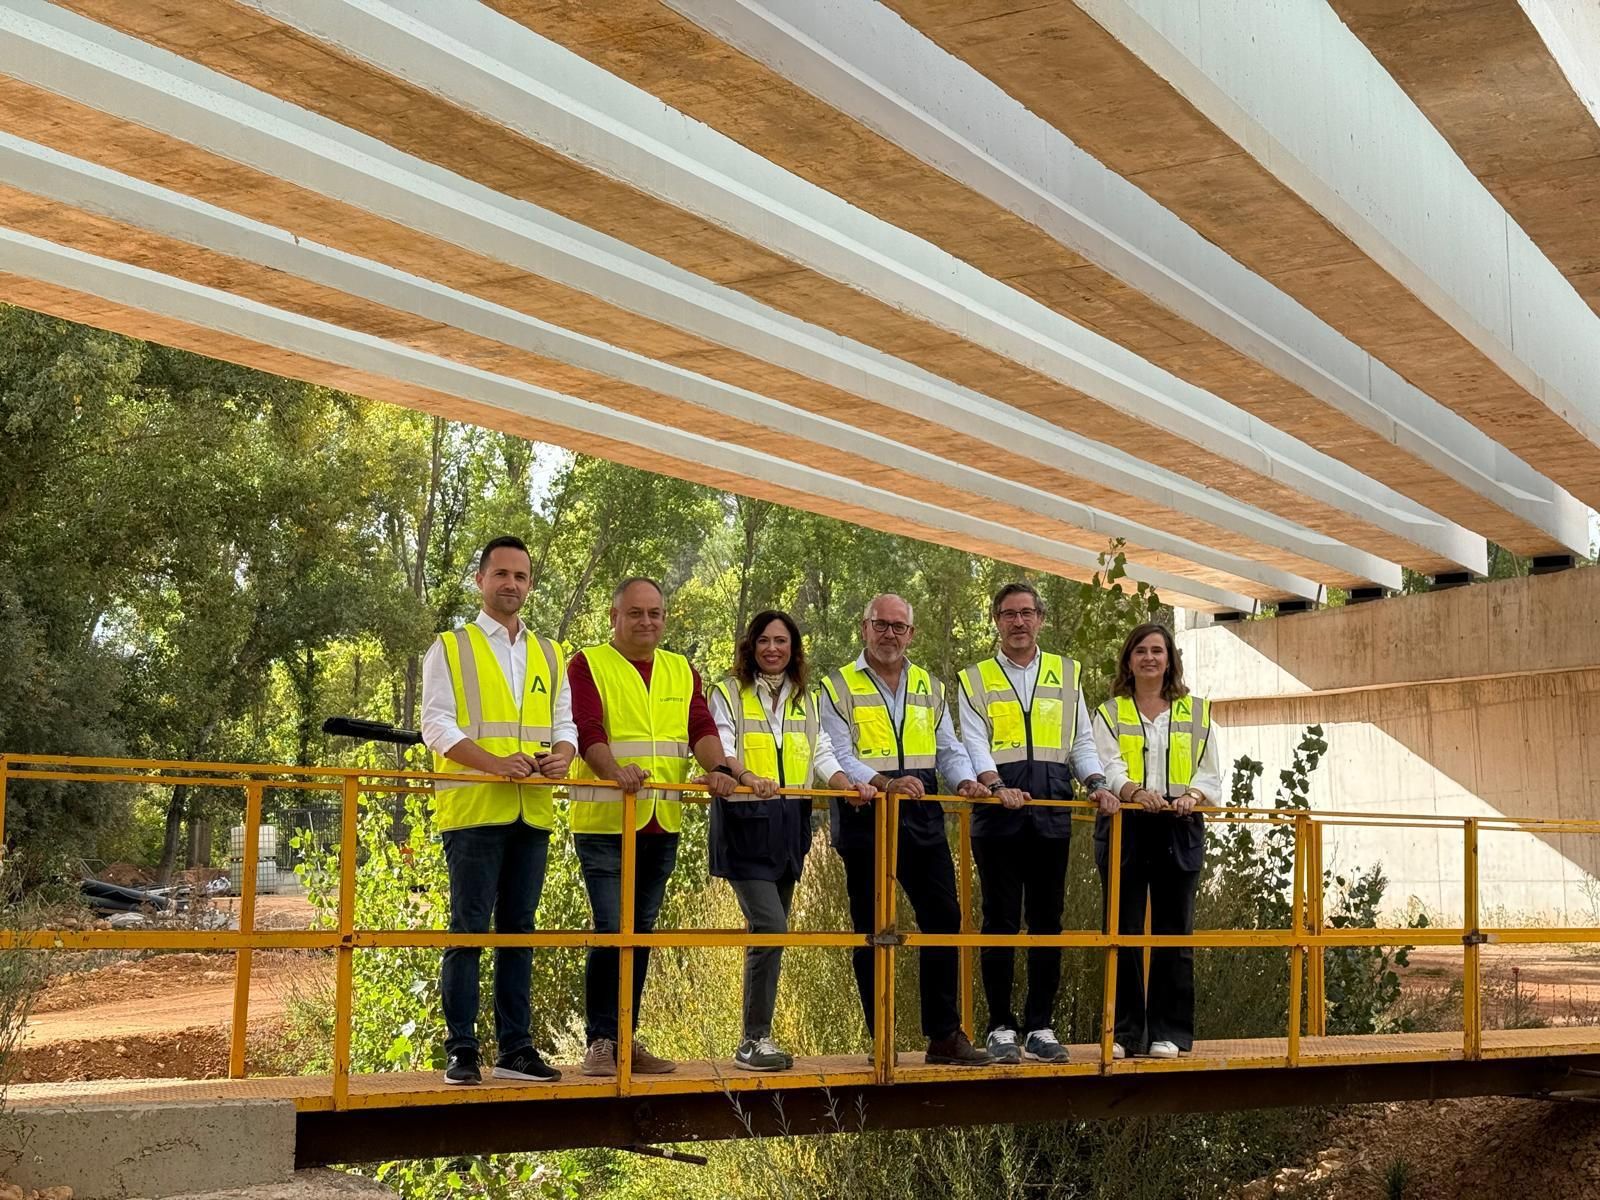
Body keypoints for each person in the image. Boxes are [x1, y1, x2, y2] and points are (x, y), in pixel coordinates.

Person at [566, 576, 738, 1076]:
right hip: (604, 819)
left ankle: (625, 1038)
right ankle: (600, 1041)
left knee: (638, 932)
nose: (646, 622)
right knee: (610, 926)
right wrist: (611, 771)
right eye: (636, 613)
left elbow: (700, 727)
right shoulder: (588, 663)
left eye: (655, 613)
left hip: (662, 819)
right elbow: (586, 728)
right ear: (614, 616)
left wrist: (719, 769)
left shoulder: (681, 669)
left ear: (665, 618)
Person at [420, 535, 575, 1086]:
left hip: (532, 813)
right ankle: (461, 1050)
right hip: (474, 811)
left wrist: (562, 756)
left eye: (522, 576)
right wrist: (492, 765)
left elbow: (565, 724)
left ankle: (516, 1050)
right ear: (480, 580)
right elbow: (436, 726)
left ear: (530, 585)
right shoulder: (451, 647)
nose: (512, 584)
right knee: (468, 930)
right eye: (502, 574)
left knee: (518, 932)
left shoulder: (550, 653)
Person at [820, 593, 995, 1066]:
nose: (890, 634)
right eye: (881, 625)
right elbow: (837, 753)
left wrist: (966, 781)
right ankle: (883, 1042)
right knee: (873, 927)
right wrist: (882, 782)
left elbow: (949, 747)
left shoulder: (928, 686)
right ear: (864, 628)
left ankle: (944, 1036)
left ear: (911, 634)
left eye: (899, 627)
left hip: (922, 813)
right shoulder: (836, 687)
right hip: (865, 811)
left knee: (943, 918)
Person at [956, 582, 1117, 1065]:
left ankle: (1040, 1027)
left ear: (1041, 619)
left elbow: (1081, 740)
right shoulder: (974, 678)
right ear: (996, 621)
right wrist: (991, 783)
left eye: (1027, 613)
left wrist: (1094, 781)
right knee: (1000, 921)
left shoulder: (1068, 674)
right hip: (997, 812)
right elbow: (973, 740)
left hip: (1052, 811)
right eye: (1009, 614)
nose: (1019, 622)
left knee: (1048, 922)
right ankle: (1001, 1027)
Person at [709, 610, 873, 1072]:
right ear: (750, 646)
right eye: (764, 640)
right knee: (771, 927)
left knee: (772, 933)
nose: (772, 649)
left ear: (793, 649)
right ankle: (752, 1040)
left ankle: (757, 1037)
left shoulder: (806, 698)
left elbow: (820, 750)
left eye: (781, 641)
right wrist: (744, 775)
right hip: (744, 823)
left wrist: (845, 785)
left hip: (789, 826)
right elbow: (719, 744)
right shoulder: (728, 693)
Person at [1091, 622, 1222, 1059]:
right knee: (1123, 931)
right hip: (1127, 821)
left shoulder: (1197, 712)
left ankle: (1170, 1032)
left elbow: (1210, 771)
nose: (1149, 658)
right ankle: (1126, 1034)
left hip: (1178, 824)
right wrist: (1132, 791)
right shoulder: (1109, 712)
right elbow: (1105, 765)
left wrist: (1192, 796)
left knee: (1174, 932)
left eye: (1158, 651)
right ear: (1128, 660)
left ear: (1170, 660)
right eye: (1141, 651)